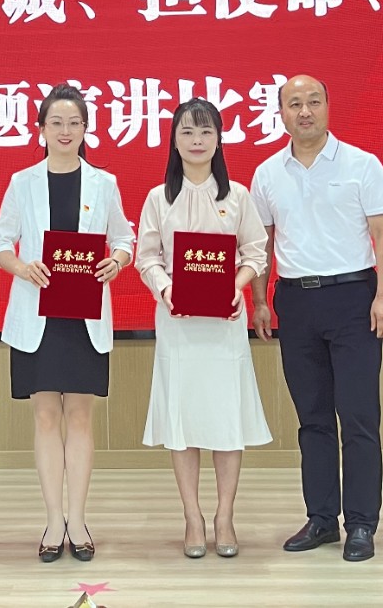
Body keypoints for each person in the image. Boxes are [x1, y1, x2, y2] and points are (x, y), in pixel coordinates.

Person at [250, 75, 383, 563]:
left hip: (354, 299)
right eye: (294, 103)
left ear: (328, 106)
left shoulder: (362, 164)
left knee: (358, 417)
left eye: (314, 101)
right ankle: (321, 518)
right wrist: (260, 300)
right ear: (281, 114)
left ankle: (361, 523)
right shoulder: (267, 173)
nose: (305, 111)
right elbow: (262, 245)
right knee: (312, 418)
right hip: (295, 302)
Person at [0, 84, 135, 563]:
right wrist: (21, 267)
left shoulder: (104, 183)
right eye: (56, 123)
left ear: (86, 129)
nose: (65, 131)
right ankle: (54, 521)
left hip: (84, 315)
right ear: (41, 130)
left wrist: (117, 260)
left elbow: (125, 238)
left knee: (80, 417)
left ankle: (78, 518)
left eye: (74, 123)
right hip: (39, 314)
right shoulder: (22, 182)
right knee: (46, 416)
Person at [135, 99, 272, 559]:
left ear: (219, 139)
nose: (197, 141)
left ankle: (224, 515)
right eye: (187, 132)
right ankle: (192, 516)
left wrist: (238, 285)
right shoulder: (159, 198)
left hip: (224, 323)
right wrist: (166, 288)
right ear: (174, 140)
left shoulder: (238, 197)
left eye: (206, 131)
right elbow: (147, 257)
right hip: (178, 323)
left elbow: (255, 252)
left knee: (225, 418)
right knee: (183, 419)